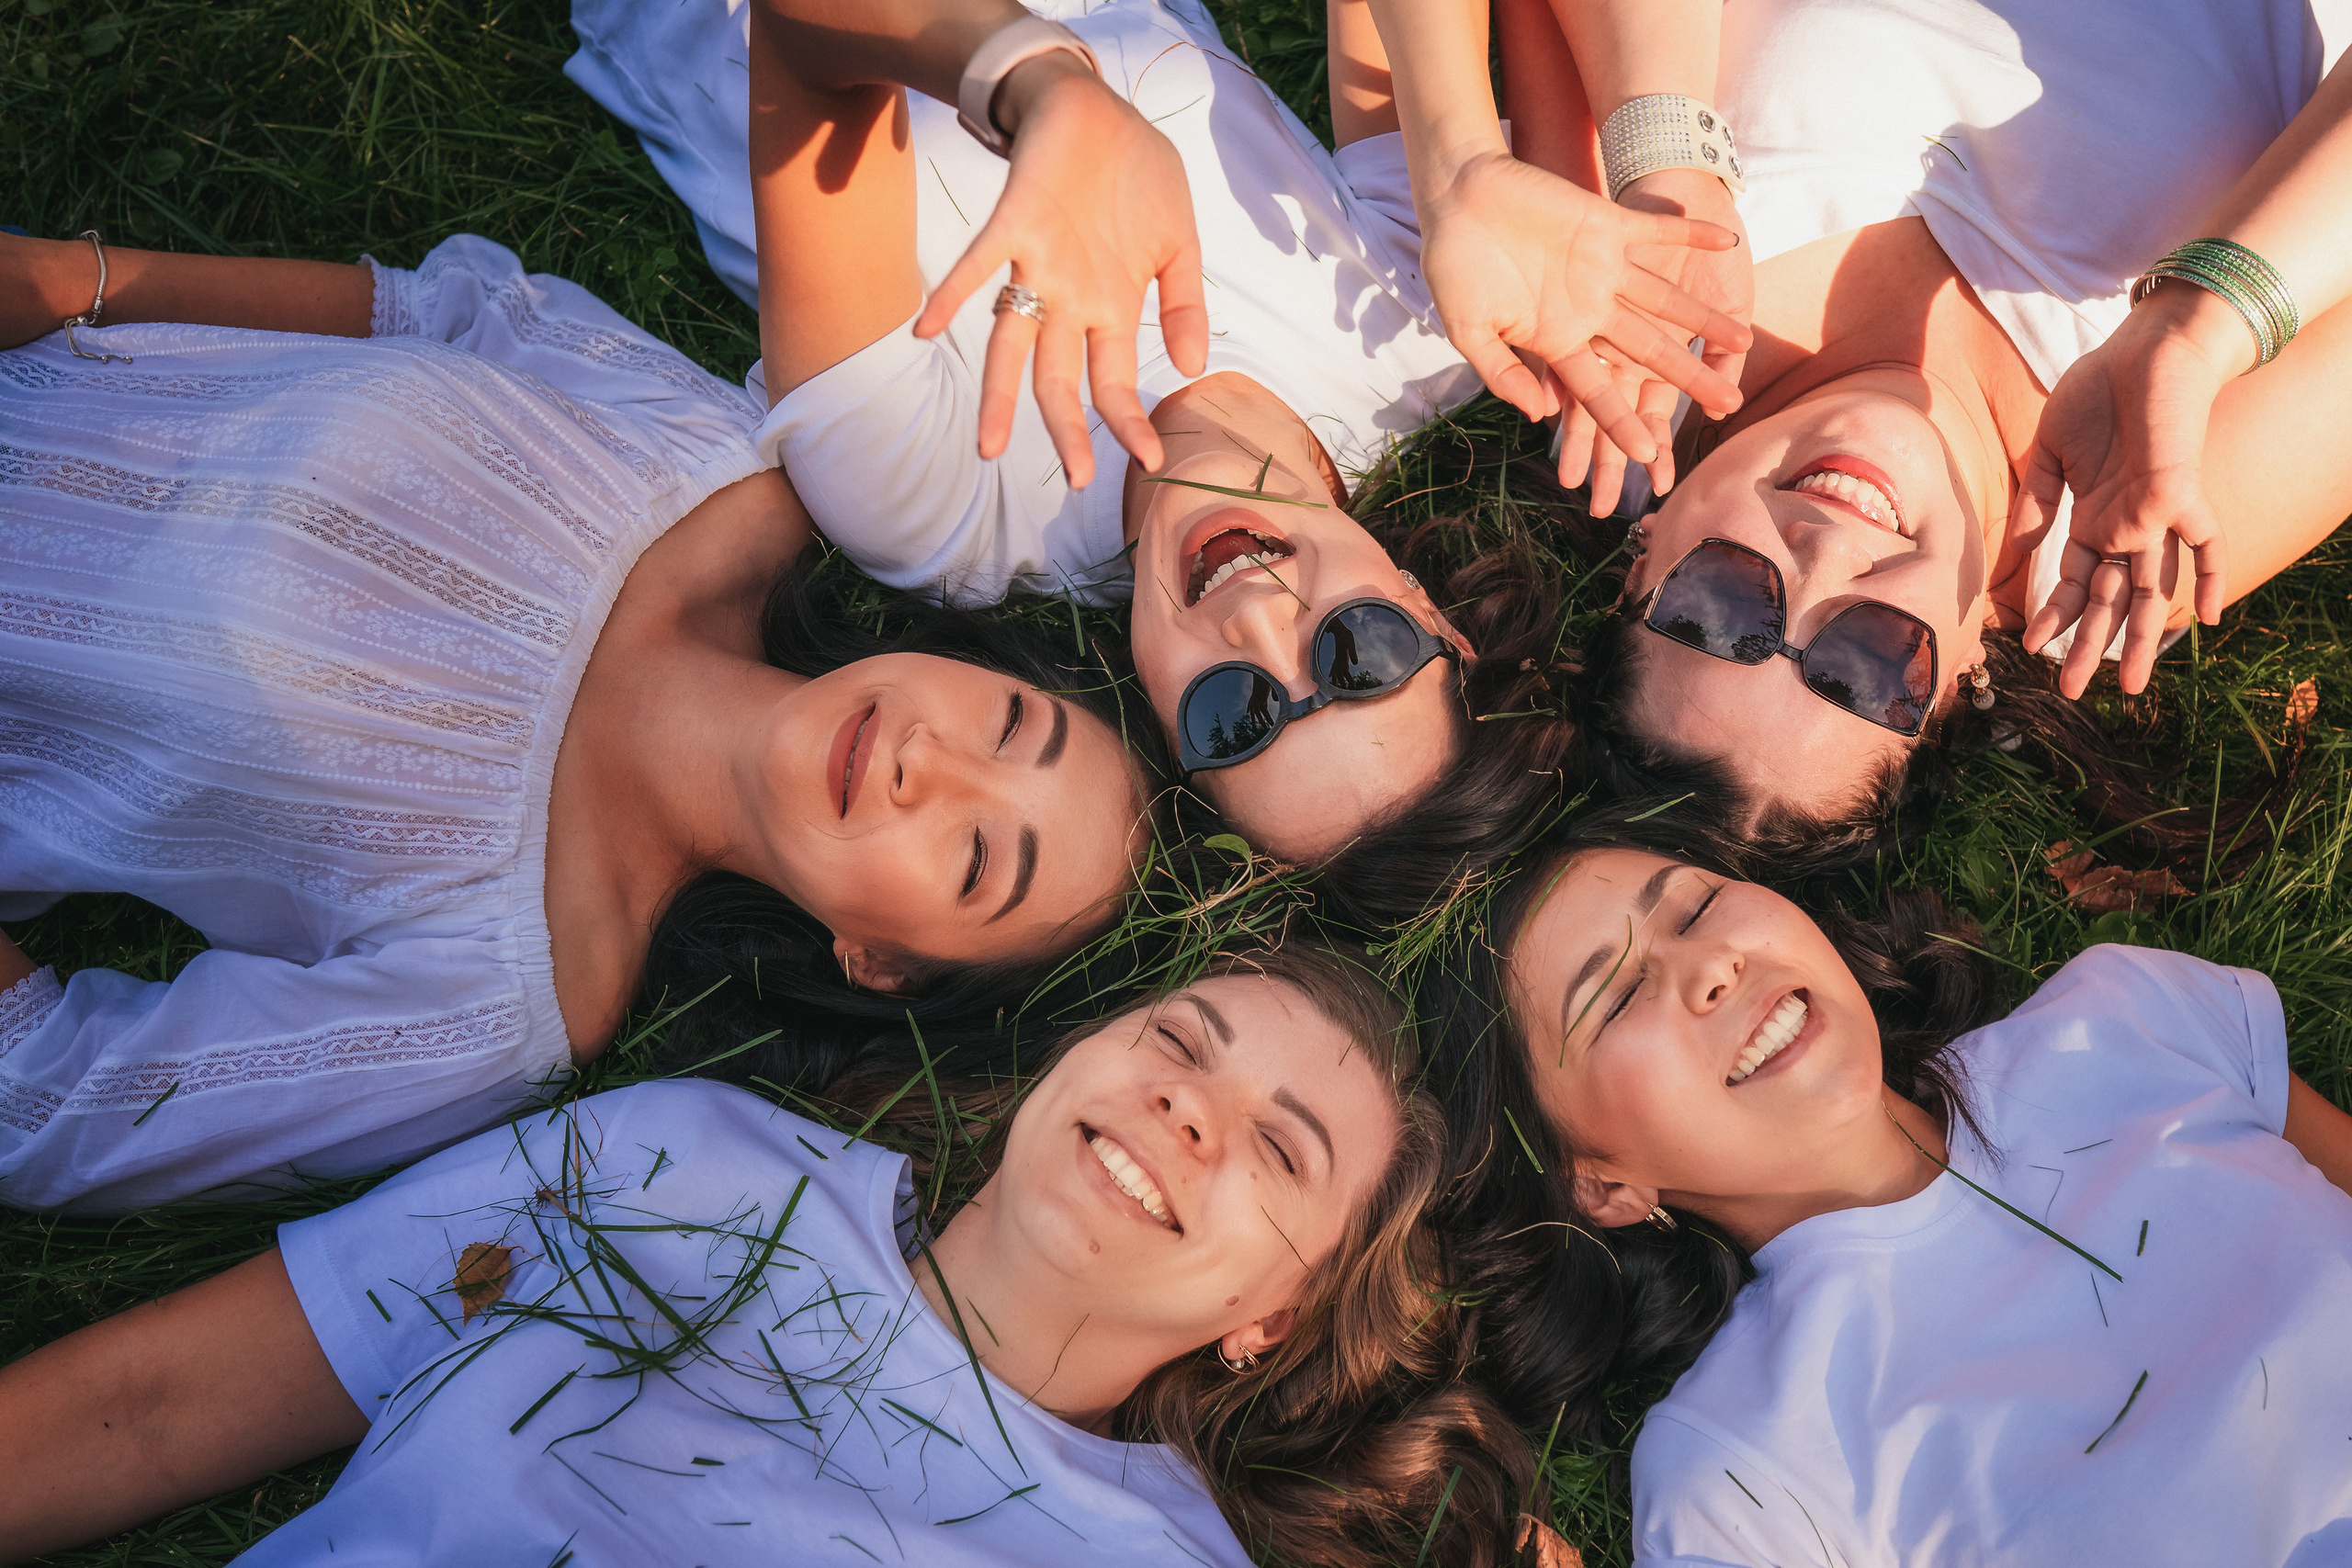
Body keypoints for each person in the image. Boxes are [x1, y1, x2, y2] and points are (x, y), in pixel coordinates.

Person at [0, 231, 1167, 1213]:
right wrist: (66, 281)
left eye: (974, 860)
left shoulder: (505, 993)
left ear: (879, 966)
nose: (933, 763)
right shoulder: (721, 466)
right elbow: (438, 310)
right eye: (1011, 725)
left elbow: (54, 1103)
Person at [562, 0, 1750, 906]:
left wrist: (1040, 88)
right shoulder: (1415, 339)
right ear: (1429, 611)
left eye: (1236, 717)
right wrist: (1460, 165)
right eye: (1356, 650)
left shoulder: (950, 504)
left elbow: (801, 28)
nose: (1256, 625)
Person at [0, 946, 1531, 1568]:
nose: (1192, 1106)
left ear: (1276, 1316)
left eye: (1280, 1150)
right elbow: (151, 1404)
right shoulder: (683, 1160)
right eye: (1179, 1039)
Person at [1504, 0, 2352, 863]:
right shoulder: (2132, 522)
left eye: (1723, 605)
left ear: (1640, 562)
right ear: (1959, 684)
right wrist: (2198, 329)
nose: (1828, 552)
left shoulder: (1623, 360)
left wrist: (1658, 158)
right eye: (1871, 663)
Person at [1435, 824, 2352, 1564]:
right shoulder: (1744, 1477)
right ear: (1604, 1184)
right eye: (1621, 994)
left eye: (1697, 904)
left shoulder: (2127, 1017)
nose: (1710, 966)